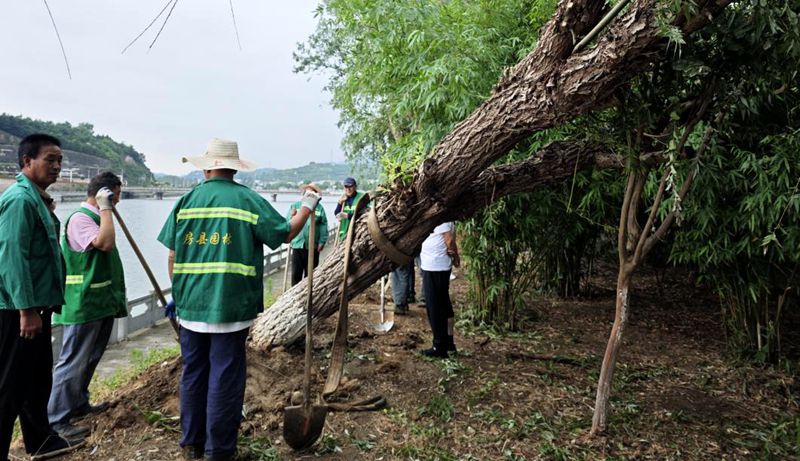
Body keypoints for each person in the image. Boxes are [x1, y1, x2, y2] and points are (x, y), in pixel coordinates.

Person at [157, 138, 320, 461]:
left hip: (190, 304)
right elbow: (286, 233)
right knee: (225, 375)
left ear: (206, 166)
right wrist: (309, 204)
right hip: (231, 306)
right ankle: (219, 450)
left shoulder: (186, 201)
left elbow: (173, 254)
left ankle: (191, 443)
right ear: (234, 167)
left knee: (193, 372)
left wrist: (178, 291)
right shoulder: (247, 200)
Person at [0, 134, 85, 460]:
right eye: (50, 159)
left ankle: (41, 440)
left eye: (60, 160)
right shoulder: (20, 200)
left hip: (36, 308)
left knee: (36, 378)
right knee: (9, 384)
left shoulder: (36, 198)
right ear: (26, 161)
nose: (57, 166)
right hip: (17, 311)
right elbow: (11, 257)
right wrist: (26, 310)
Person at [48, 172, 127, 439]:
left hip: (100, 302)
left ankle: (79, 404)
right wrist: (105, 207)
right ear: (105, 193)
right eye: (117, 194)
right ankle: (57, 420)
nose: (119, 200)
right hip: (83, 304)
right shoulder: (81, 219)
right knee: (72, 362)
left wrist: (106, 210)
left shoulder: (99, 217)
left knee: (90, 359)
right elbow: (105, 243)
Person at [419, 222, 460, 358]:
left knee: (435, 307)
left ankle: (439, 346)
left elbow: (449, 239)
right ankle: (449, 342)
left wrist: (456, 256)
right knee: (443, 303)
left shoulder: (442, 215)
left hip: (435, 265)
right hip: (437, 264)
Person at [286, 183, 328, 286]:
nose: (309, 194)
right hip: (297, 244)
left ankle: (309, 296)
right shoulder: (295, 206)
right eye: (307, 192)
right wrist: (292, 216)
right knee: (296, 274)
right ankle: (295, 296)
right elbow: (287, 223)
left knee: (311, 274)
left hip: (312, 246)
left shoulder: (319, 208)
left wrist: (322, 241)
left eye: (312, 192)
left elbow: (323, 225)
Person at [333, 176, 365, 242]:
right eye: (346, 187)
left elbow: (362, 214)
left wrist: (347, 216)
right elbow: (337, 214)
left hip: (358, 232)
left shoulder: (361, 197)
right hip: (344, 233)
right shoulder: (343, 198)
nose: (348, 189)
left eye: (350, 187)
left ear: (355, 187)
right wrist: (339, 203)